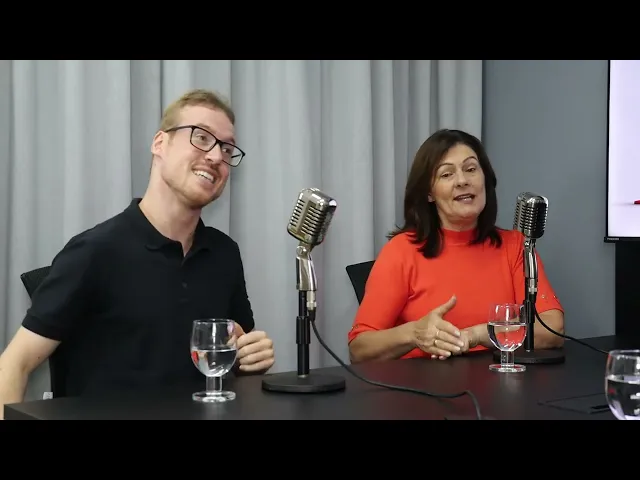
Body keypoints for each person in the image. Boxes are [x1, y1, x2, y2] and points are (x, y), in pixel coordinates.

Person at [0, 89, 275, 416]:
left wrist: (250, 360)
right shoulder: (94, 252)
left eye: (226, 148)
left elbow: (235, 356)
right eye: (201, 137)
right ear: (160, 143)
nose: (216, 156)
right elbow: (14, 364)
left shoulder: (224, 253)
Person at [347, 129, 564, 363]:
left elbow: (552, 328)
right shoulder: (401, 251)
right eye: (447, 174)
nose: (462, 181)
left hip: (501, 381)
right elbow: (360, 349)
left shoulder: (515, 246)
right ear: (429, 193)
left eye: (471, 169)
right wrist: (414, 334)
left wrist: (478, 335)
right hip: (423, 383)